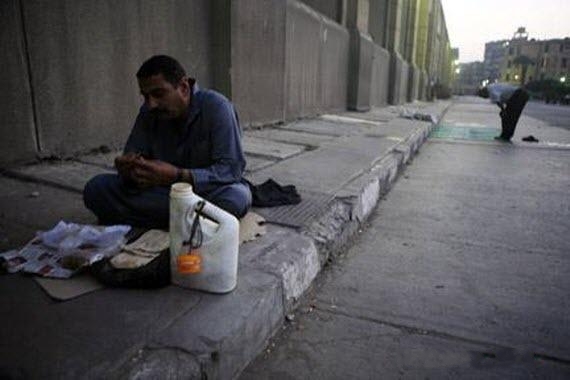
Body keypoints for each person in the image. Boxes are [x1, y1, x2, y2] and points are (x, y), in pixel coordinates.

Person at [83, 55, 252, 228]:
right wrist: (129, 169)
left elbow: (231, 169)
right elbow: (134, 156)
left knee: (236, 198)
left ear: (184, 88)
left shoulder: (217, 107)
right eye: (145, 96)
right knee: (96, 188)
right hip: (163, 193)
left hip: (203, 193)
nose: (151, 104)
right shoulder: (148, 112)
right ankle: (191, 223)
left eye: (158, 94)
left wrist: (178, 175)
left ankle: (166, 220)